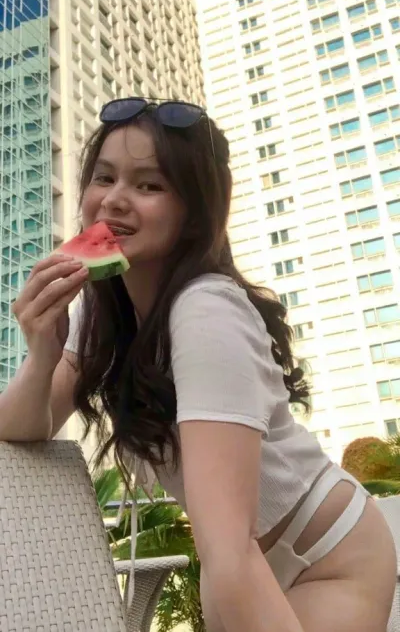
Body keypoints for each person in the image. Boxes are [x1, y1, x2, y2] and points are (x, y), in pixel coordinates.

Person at [1, 97, 396, 632]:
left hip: (330, 558)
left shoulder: (206, 310)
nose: (113, 201)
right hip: (251, 558)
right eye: (104, 177)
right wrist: (42, 354)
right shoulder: (107, 304)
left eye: (149, 185)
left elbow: (227, 550)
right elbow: (23, 426)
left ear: (194, 212)